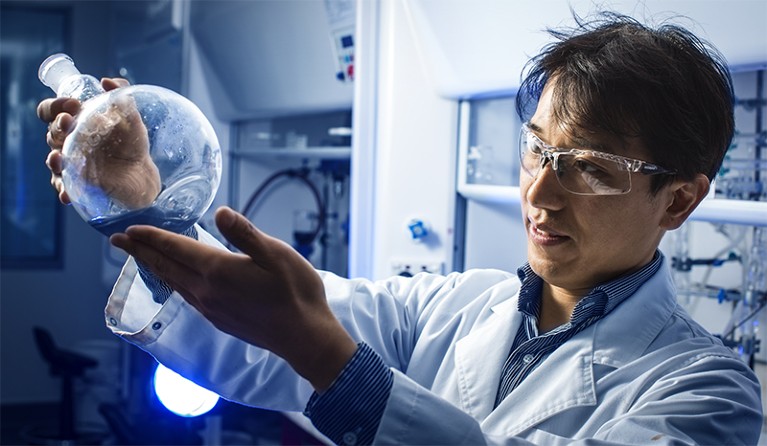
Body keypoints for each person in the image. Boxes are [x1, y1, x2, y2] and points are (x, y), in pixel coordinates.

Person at [38, 13, 763, 445]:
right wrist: (141, 200)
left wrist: (326, 356)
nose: (539, 191)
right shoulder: (453, 307)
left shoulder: (708, 394)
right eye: (536, 149)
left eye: (590, 167)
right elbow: (253, 346)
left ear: (677, 202)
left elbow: (307, 341)